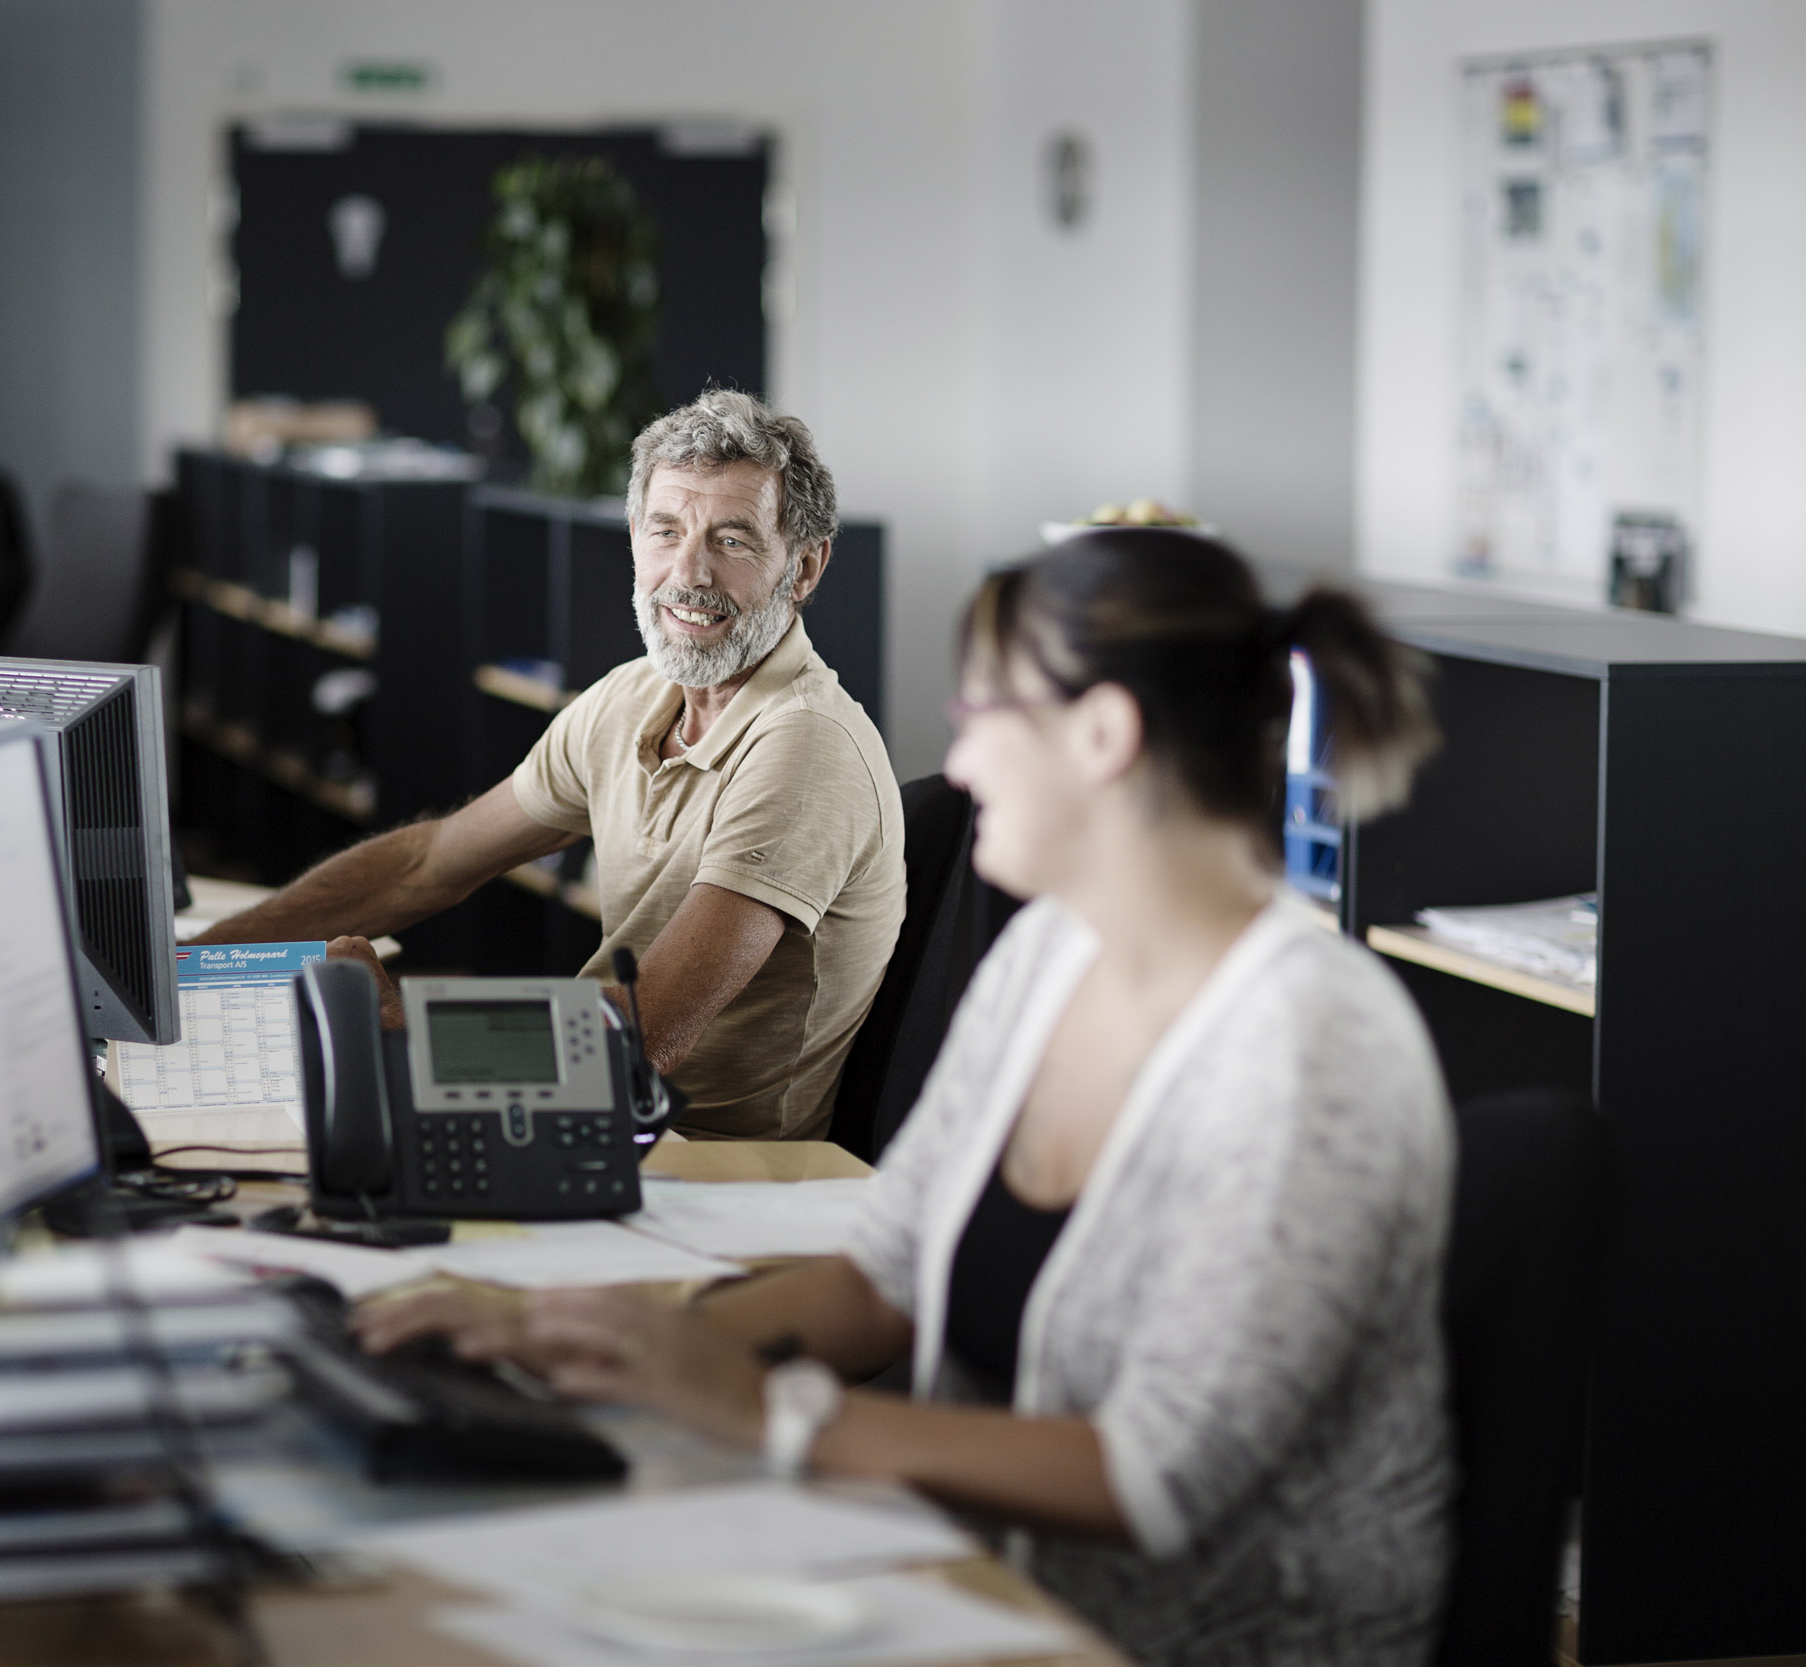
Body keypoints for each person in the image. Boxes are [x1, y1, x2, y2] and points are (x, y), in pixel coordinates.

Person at [360, 530, 1454, 1665]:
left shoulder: (1308, 1044)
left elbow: (1157, 1477)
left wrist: (770, 1413)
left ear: (1102, 735)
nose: (961, 764)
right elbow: (882, 1281)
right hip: (968, 1582)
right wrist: (575, 1342)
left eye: (982, 717)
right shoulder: (1046, 961)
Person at [193, 390, 904, 1140]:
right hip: (589, 1121)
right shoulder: (634, 697)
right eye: (666, 530)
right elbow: (428, 863)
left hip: (709, 1169)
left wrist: (406, 1040)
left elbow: (634, 1044)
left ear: (804, 568)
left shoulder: (805, 746)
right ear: (634, 536)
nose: (687, 572)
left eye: (732, 541)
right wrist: (202, 964)